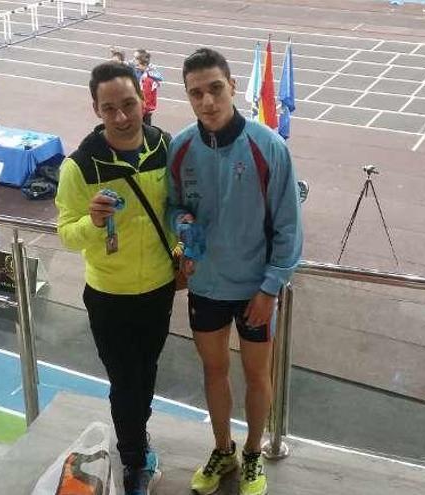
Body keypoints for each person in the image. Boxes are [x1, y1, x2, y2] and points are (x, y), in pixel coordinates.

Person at [167, 48, 302, 495]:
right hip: (206, 285)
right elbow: (173, 206)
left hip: (254, 291)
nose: (207, 101)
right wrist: (180, 225)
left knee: (257, 376)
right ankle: (223, 449)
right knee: (213, 371)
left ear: (232, 86)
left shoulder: (269, 147)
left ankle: (251, 454)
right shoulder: (182, 146)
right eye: (196, 93)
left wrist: (270, 288)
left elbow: (288, 228)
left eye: (215, 89)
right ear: (188, 97)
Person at [55, 61, 175, 495]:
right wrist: (91, 222)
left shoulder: (165, 146)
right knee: (125, 381)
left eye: (129, 104)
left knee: (145, 372)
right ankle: (133, 460)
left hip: (160, 288)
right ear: (96, 109)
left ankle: (137, 439)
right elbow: (67, 234)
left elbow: (175, 210)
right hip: (110, 295)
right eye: (111, 109)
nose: (122, 117)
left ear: (143, 101)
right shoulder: (81, 166)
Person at [131, 49, 163, 126]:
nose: (133, 60)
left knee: (145, 125)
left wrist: (147, 72)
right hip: (138, 103)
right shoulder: (134, 68)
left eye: (135, 58)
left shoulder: (148, 76)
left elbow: (160, 77)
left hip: (145, 107)